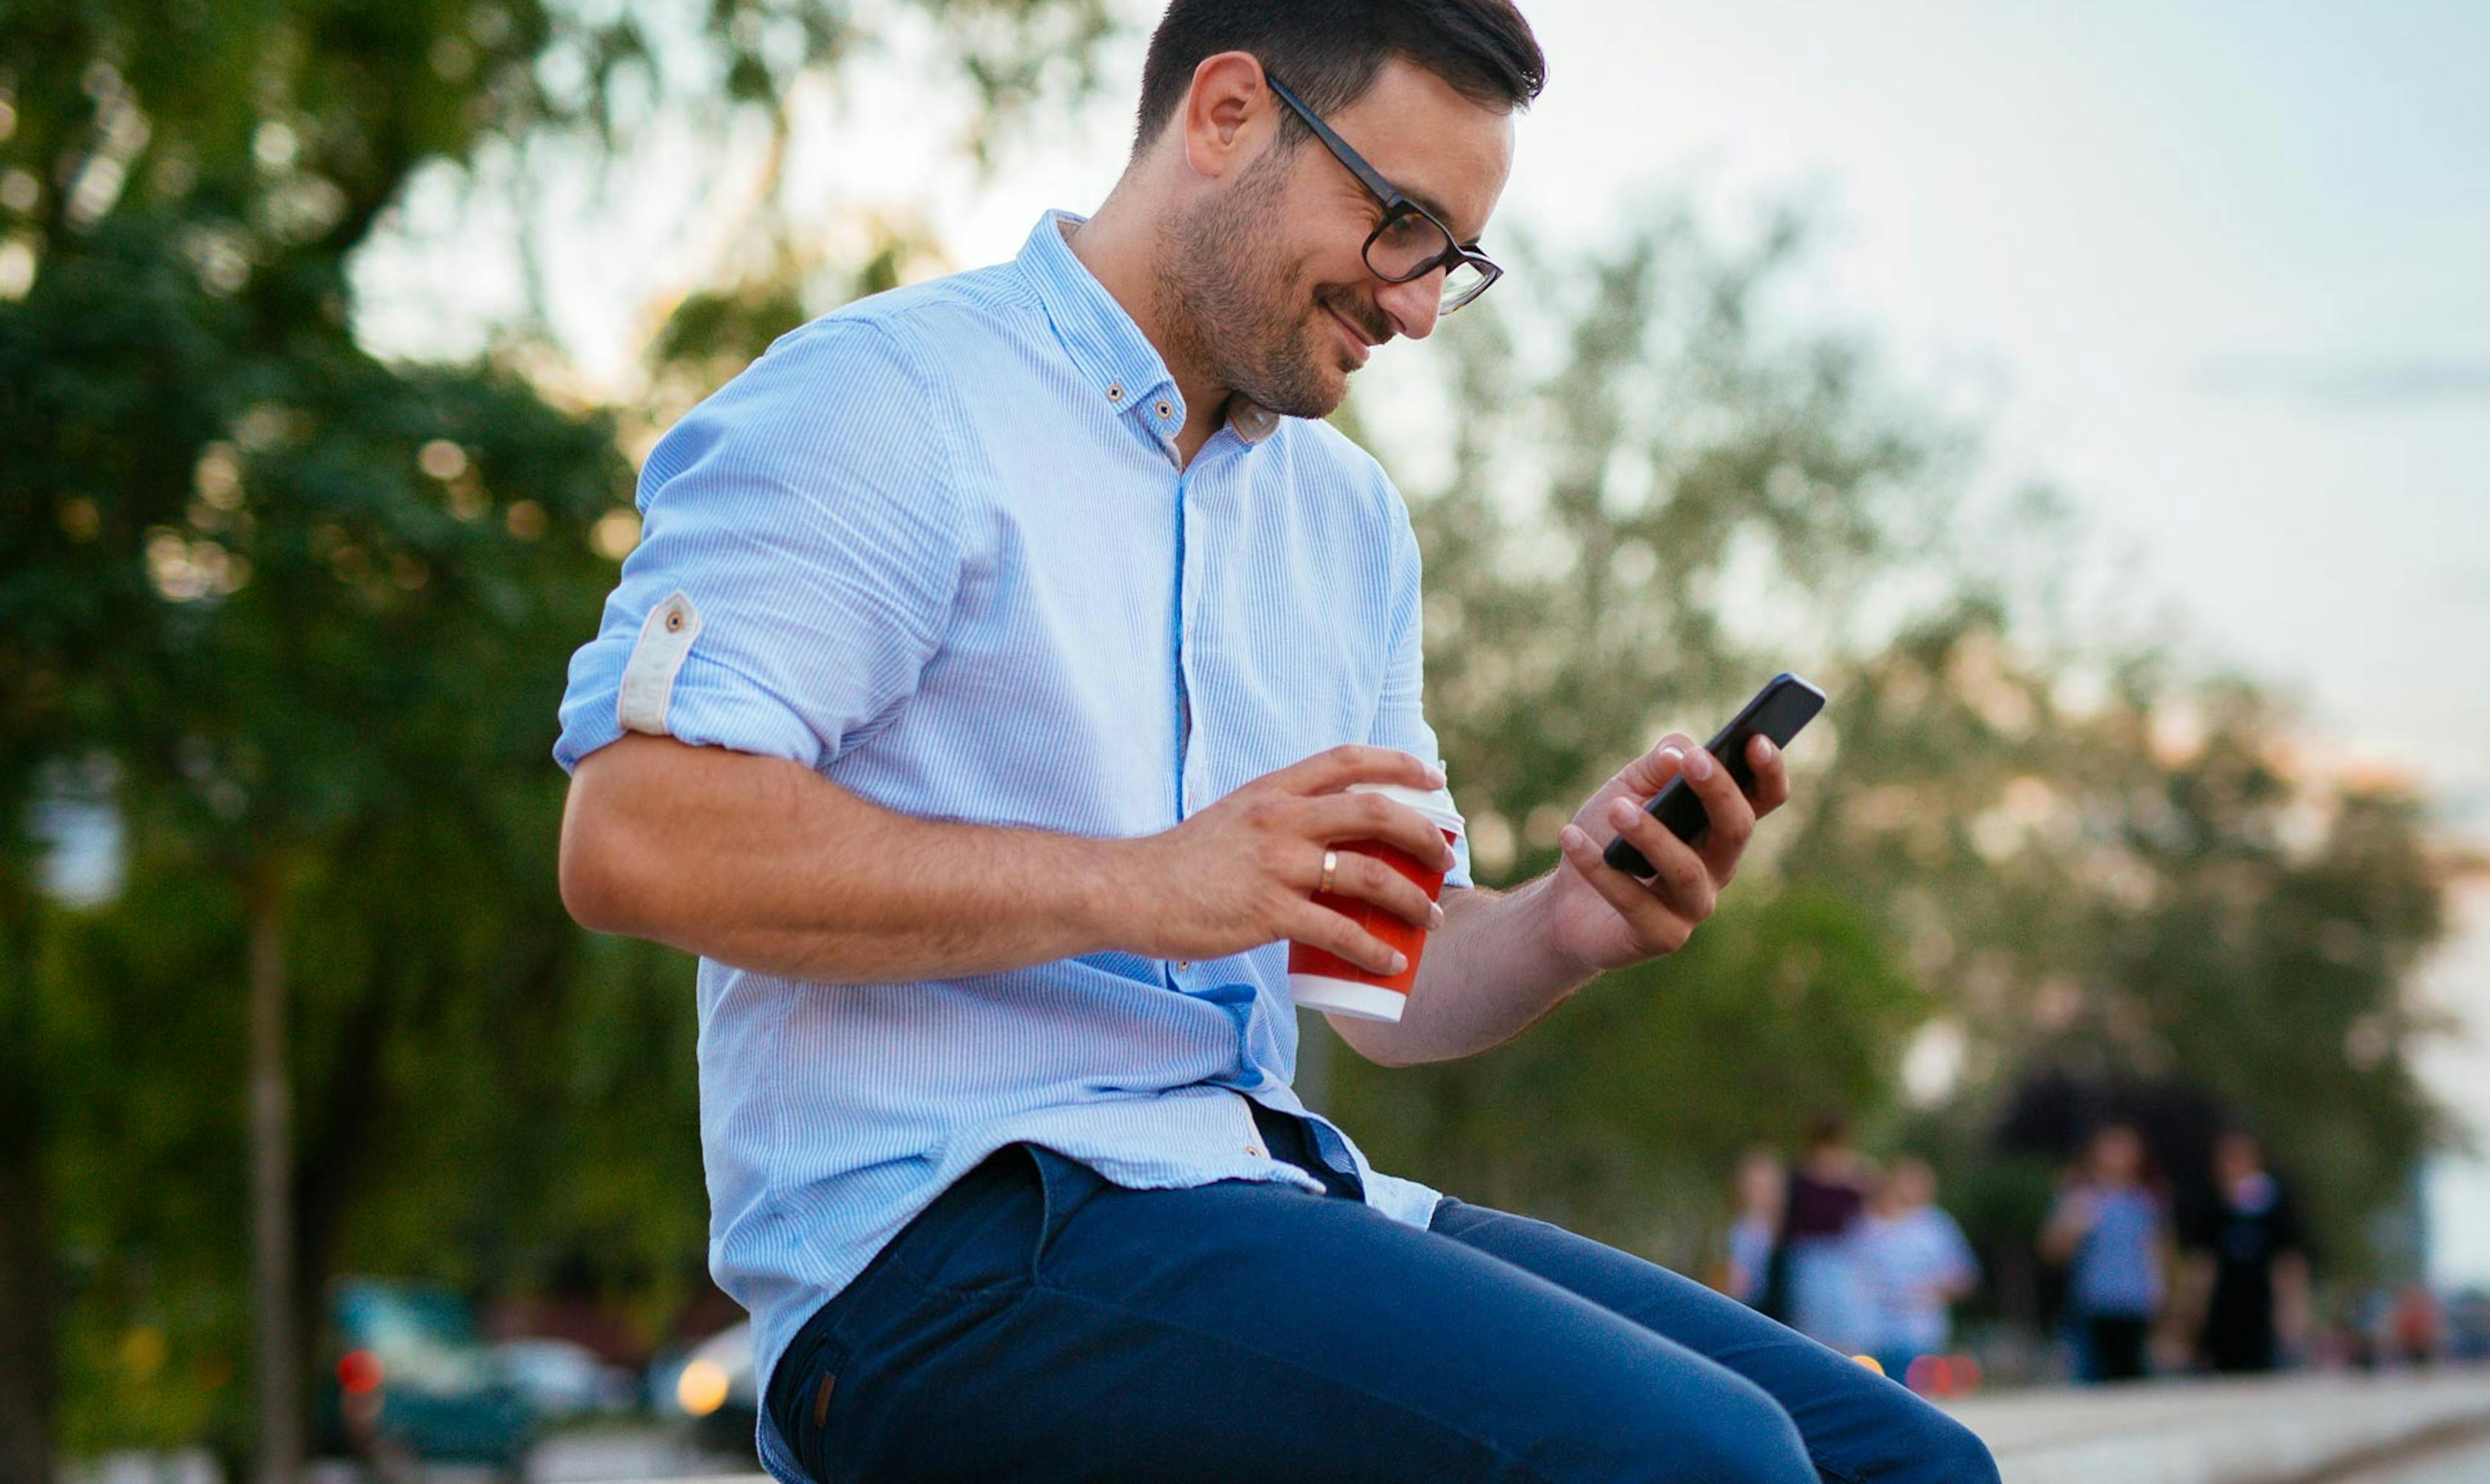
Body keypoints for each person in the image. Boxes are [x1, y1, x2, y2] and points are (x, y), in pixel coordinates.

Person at [549, 3, 1997, 1480]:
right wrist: (1149, 886)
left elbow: (1382, 980)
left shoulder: (1346, 526)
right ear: (1228, 113)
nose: (1421, 304)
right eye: (1403, 225)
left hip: (1275, 1194)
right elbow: (639, 838)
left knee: (1911, 1465)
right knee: (1700, 1463)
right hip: (938, 1258)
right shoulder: (888, 404)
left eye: (1455, 258)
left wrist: (1570, 923)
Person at [2042, 1123, 2168, 1383]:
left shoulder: (2144, 1201)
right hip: (2094, 1304)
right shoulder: (2078, 1195)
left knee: (2135, 1383)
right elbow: (2053, 1251)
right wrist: (2075, 1221)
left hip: (2135, 1305)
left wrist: (2161, 1296)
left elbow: (2156, 1251)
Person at [2178, 1130, 2310, 1375]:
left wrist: (2292, 1313)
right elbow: (2202, 1263)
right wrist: (2194, 1308)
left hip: (2261, 1309)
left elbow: (2288, 1263)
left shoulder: (2276, 1204)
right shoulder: (2211, 1204)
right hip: (2222, 1311)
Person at [1852, 1158, 1981, 1386]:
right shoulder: (1865, 1227)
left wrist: (1934, 1290)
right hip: (1872, 1334)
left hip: (1920, 1333)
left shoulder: (1936, 1226)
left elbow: (1964, 1276)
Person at [1762, 1117, 1877, 1352]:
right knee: (1810, 1325)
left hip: (1841, 1259)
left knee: (1845, 1330)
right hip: (1807, 1258)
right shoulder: (1799, 1176)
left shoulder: (1856, 1176)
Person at [1722, 1145, 1785, 1307]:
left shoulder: (1794, 1231)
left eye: (1766, 1186)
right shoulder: (1742, 1231)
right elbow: (1738, 1285)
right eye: (1755, 1186)